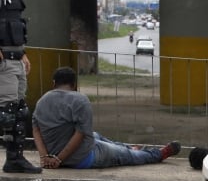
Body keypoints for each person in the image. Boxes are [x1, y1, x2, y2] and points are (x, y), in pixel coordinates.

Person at [32, 67, 181, 169]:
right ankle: (157, 154)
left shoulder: (41, 101)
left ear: (53, 83)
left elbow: (36, 131)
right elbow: (80, 133)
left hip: (56, 156)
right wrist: (59, 160)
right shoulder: (80, 100)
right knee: (126, 156)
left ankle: (128, 147)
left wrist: (45, 157)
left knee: (96, 135)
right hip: (82, 158)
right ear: (74, 84)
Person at [0, 0, 39, 173]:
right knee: (5, 113)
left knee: (18, 112)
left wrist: (22, 53)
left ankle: (15, 159)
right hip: (4, 63)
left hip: (15, 58)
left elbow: (11, 26)